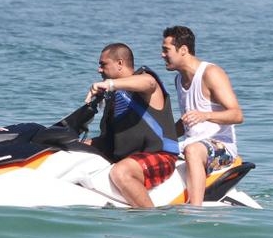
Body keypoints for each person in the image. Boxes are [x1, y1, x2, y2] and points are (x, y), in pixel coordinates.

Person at [84, 43, 179, 208]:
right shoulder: (114, 97)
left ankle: (151, 220)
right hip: (129, 157)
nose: (99, 70)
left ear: (120, 63)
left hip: (160, 155)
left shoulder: (146, 81)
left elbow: (148, 83)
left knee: (121, 172)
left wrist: (110, 84)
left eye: (103, 64)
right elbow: (108, 141)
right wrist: (75, 145)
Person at [161, 26, 244, 206]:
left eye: (166, 50)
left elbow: (237, 115)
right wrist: (159, 139)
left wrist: (205, 115)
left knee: (193, 150)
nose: (162, 55)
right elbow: (188, 122)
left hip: (222, 146)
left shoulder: (210, 73)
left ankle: (195, 210)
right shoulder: (179, 79)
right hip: (192, 143)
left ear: (183, 50)